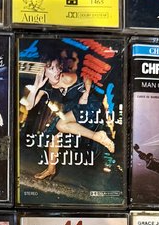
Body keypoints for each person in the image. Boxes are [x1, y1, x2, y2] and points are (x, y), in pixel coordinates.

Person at [21, 50, 115, 180]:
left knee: (60, 125)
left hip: (89, 106)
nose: (57, 71)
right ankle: (51, 169)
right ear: (43, 72)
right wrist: (36, 87)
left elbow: (86, 77)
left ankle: (98, 136)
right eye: (52, 68)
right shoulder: (46, 87)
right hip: (73, 110)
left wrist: (85, 94)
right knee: (54, 135)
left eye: (57, 67)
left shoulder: (66, 77)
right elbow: (28, 106)